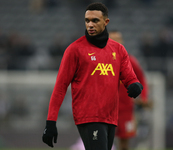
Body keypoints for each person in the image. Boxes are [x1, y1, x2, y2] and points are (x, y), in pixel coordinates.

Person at [42, 2, 143, 150]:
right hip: (89, 116)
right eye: (87, 20)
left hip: (110, 117)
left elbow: (129, 76)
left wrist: (135, 85)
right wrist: (51, 122)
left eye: (95, 20)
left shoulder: (118, 49)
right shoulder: (74, 50)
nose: (90, 24)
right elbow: (60, 87)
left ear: (106, 22)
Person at [109, 30, 149, 150]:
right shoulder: (100, 61)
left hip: (126, 110)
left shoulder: (130, 61)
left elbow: (141, 79)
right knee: (103, 141)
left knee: (125, 143)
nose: (116, 41)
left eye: (118, 39)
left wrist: (144, 97)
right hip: (107, 110)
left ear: (122, 41)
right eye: (112, 39)